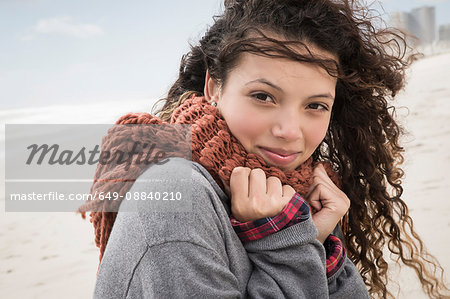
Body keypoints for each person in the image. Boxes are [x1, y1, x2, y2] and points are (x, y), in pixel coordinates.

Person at [78, 0, 450, 298]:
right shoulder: (175, 193)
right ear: (214, 86)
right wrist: (285, 245)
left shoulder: (297, 195)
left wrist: (315, 240)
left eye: (315, 105)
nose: (289, 131)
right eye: (263, 96)